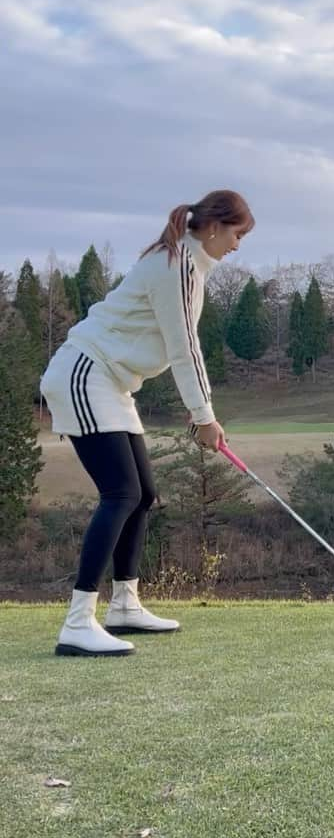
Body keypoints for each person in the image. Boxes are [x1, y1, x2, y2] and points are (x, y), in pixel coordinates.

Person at [40, 190, 255, 657]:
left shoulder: (187, 266)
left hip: (112, 383)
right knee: (121, 493)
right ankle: (78, 623)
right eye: (238, 234)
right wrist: (205, 417)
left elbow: (174, 346)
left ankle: (124, 605)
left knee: (144, 495)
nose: (238, 245)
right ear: (215, 226)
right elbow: (185, 350)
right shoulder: (177, 264)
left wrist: (200, 409)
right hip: (84, 372)